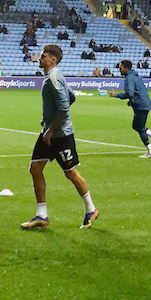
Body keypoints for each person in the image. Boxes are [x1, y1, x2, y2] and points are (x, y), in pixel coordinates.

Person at [24, 43, 96, 229]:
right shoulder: (53, 76)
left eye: (43, 55)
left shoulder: (54, 78)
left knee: (70, 173)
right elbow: (71, 97)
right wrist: (47, 119)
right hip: (50, 132)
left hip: (60, 135)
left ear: (52, 59)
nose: (40, 58)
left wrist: (51, 128)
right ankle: (42, 215)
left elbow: (64, 107)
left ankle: (91, 209)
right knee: (35, 168)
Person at [116, 58, 151, 157]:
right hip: (145, 103)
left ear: (126, 68)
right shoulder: (136, 76)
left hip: (140, 105)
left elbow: (130, 93)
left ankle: (150, 151)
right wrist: (131, 102)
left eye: (121, 67)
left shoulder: (129, 78)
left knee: (138, 127)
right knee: (138, 126)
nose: (120, 69)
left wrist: (117, 95)